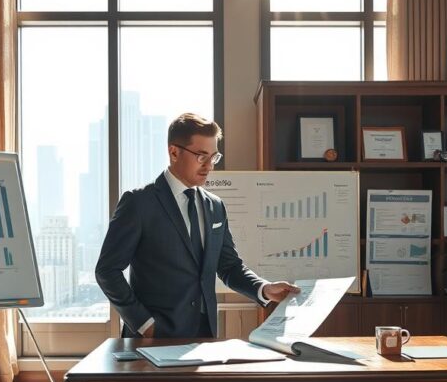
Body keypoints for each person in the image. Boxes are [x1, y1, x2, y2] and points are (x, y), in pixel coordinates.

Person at [95, 113, 300, 338]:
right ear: (174, 152)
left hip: (205, 336)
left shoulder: (215, 206)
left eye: (214, 157)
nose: (209, 166)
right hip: (152, 339)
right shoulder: (139, 203)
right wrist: (144, 324)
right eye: (201, 156)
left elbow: (229, 266)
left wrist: (264, 288)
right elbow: (107, 271)